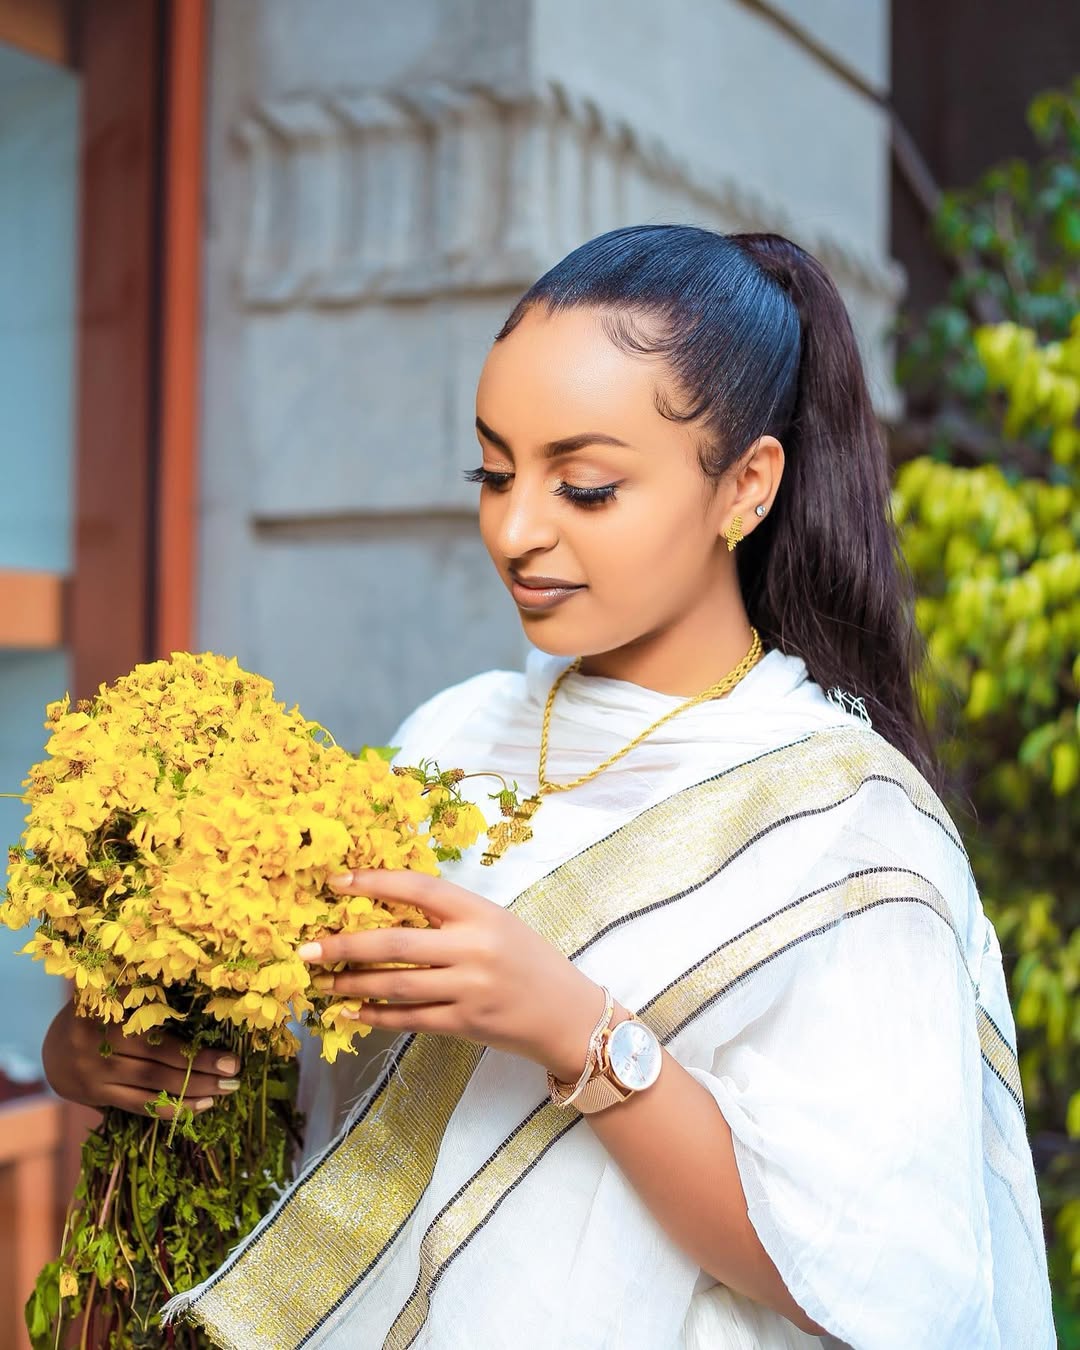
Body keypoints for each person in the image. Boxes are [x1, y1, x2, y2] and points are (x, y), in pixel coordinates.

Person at [44, 225, 1054, 1349]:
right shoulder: (455, 735)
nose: (518, 530)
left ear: (746, 486)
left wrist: (575, 1029)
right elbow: (339, 1109)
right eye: (493, 471)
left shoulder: (852, 827)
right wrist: (129, 1042)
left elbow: (877, 1276)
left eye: (585, 486)